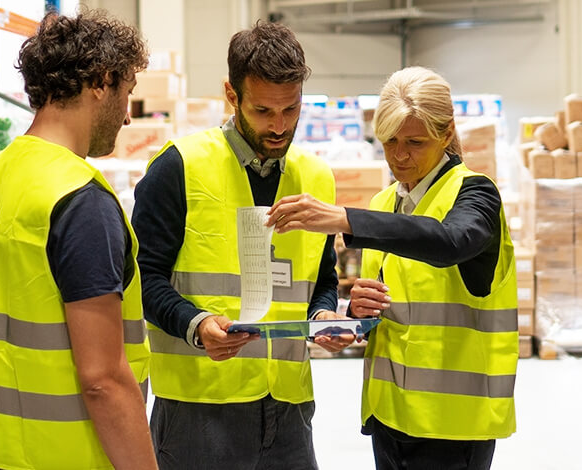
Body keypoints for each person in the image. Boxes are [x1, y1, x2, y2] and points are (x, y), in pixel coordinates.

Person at [266, 66, 518, 470]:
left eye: (415, 142)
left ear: (447, 132)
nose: (399, 155)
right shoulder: (385, 203)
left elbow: (448, 243)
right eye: (390, 141)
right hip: (390, 418)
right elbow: (403, 309)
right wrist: (357, 314)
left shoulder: (476, 194)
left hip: (453, 427)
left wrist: (346, 218)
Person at [132, 20, 353, 470]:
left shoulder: (316, 177)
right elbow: (142, 279)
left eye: (291, 110)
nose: (279, 126)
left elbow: (321, 279)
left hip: (289, 405)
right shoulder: (179, 167)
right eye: (263, 111)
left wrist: (323, 316)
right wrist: (196, 323)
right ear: (231, 95)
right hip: (198, 407)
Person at [0, 10, 157, 470]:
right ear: (101, 82)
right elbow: (103, 379)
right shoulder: (80, 200)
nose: (127, 117)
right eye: (127, 94)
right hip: (68, 457)